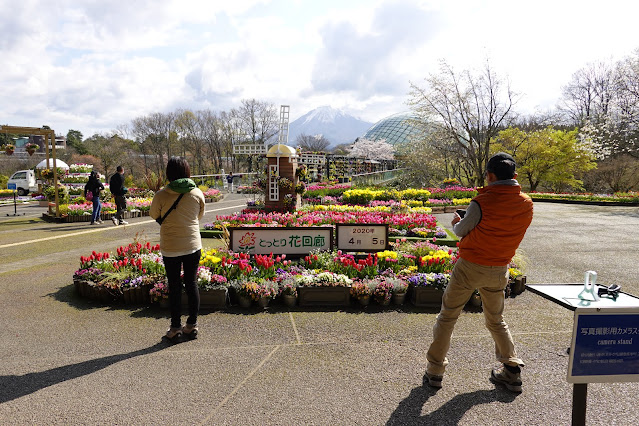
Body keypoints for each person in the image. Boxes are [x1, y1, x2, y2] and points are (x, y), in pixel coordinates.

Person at [425, 152, 534, 393]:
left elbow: (461, 231)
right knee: (496, 320)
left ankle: (435, 372)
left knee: (448, 317)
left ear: (490, 176)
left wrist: (456, 222)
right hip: (500, 268)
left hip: (470, 266)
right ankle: (512, 370)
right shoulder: (526, 203)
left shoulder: (481, 202)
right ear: (515, 176)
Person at [150, 157, 205, 341]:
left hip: (171, 246)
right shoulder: (197, 193)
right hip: (192, 244)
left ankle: (175, 328)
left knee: (174, 286)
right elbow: (199, 215)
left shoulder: (161, 195)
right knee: (191, 283)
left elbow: (154, 214)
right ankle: (192, 325)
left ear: (169, 173)